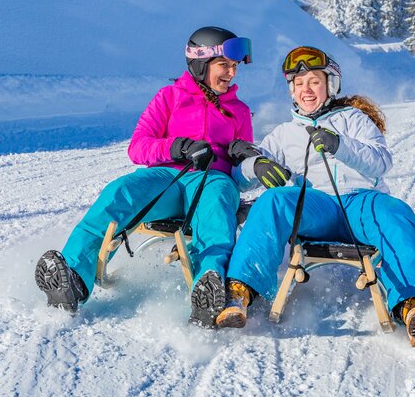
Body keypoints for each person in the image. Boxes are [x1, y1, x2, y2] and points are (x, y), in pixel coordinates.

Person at [217, 46, 415, 346]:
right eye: (298, 84)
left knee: (394, 212)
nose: (305, 90)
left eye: (313, 81)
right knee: (272, 201)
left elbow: (381, 162)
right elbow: (240, 179)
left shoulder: (354, 119)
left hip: (361, 202)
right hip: (316, 207)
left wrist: (339, 145)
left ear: (330, 84)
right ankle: (240, 293)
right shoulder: (284, 134)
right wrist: (254, 165)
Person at [35, 26, 253, 327]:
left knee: (216, 211)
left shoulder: (239, 111)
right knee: (121, 192)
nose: (231, 73)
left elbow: (243, 172)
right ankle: (73, 277)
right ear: (201, 65)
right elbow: (138, 147)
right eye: (224, 65)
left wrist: (245, 156)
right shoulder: (169, 97)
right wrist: (178, 146)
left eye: (234, 67)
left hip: (212, 180)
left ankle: (208, 287)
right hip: (167, 176)